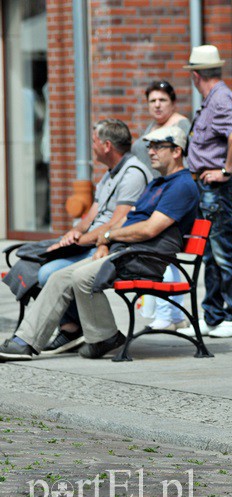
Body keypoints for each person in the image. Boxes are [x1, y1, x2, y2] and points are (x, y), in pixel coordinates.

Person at [0, 126, 199, 362]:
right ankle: (25, 341)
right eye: (150, 146)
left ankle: (105, 337)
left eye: (158, 146)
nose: (151, 152)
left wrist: (108, 237)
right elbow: (128, 217)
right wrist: (105, 241)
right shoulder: (157, 183)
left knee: (82, 277)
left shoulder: (182, 185)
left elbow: (150, 229)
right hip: (127, 251)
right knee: (58, 277)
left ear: (177, 151)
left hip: (145, 257)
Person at [8, 119, 150, 355]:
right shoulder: (110, 174)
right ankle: (71, 327)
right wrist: (74, 233)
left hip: (109, 247)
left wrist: (78, 241)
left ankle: (65, 331)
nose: (91, 147)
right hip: (91, 244)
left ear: (106, 145)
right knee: (29, 265)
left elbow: (118, 222)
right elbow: (93, 213)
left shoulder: (133, 174)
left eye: (94, 141)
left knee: (47, 272)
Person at [181, 44, 232, 338]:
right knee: (209, 253)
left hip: (215, 188)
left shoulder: (221, 99)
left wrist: (225, 170)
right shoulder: (215, 99)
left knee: (222, 252)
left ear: (196, 76)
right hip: (206, 186)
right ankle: (214, 315)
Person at [131, 80, 192, 332]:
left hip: (171, 196)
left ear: (173, 102)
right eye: (152, 101)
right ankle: (170, 314)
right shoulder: (152, 126)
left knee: (161, 254)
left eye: (162, 100)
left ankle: (168, 314)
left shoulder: (180, 125)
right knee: (160, 257)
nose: (157, 105)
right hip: (154, 194)